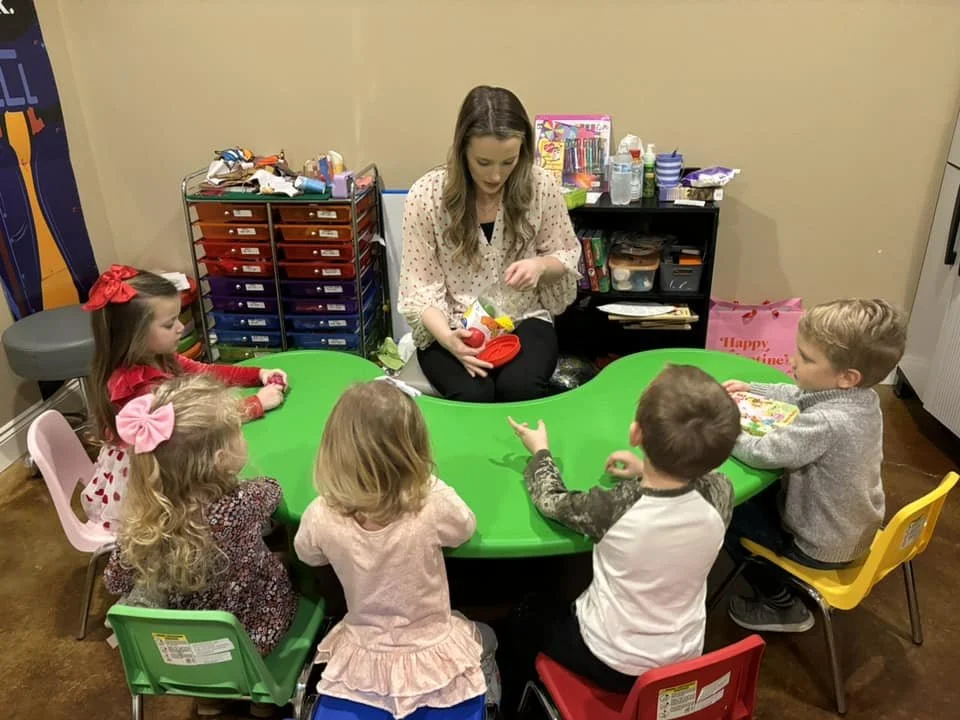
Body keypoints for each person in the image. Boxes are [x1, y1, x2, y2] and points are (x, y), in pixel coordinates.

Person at [504, 365, 740, 702]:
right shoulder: (721, 494)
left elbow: (550, 500)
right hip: (684, 658)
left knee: (525, 614)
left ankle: (514, 698)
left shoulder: (613, 508)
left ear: (635, 434)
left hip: (610, 661)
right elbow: (695, 479)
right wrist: (646, 469)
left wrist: (540, 451)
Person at [103, 375, 298, 717]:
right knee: (295, 569)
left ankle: (209, 699)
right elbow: (275, 490)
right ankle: (263, 701)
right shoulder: (243, 503)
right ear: (222, 459)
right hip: (253, 638)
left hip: (183, 655)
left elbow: (114, 582)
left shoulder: (141, 525)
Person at [294, 381, 490, 718]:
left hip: (364, 651)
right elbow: (464, 527)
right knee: (484, 636)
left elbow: (307, 554)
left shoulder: (321, 514)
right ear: (413, 451)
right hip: (432, 647)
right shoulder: (429, 502)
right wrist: (429, 482)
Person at [722, 298, 907, 633]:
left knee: (727, 512)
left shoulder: (826, 423)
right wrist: (753, 389)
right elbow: (801, 394)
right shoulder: (864, 399)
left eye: (806, 358)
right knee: (762, 495)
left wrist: (725, 433)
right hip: (853, 530)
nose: (793, 361)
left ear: (847, 377)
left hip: (818, 545)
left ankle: (783, 606)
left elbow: (764, 452)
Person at [398, 85, 581, 403]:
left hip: (524, 317)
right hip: (453, 322)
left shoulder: (541, 186)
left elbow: (564, 254)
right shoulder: (426, 196)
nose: (496, 176)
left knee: (519, 388)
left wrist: (540, 267)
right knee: (473, 392)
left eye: (508, 162)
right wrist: (450, 340)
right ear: (462, 150)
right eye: (483, 163)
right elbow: (420, 288)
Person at [80, 265, 288, 531]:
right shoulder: (137, 389)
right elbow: (194, 431)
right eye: (169, 324)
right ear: (134, 336)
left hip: (172, 460)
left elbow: (208, 372)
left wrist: (258, 373)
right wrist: (256, 403)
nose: (181, 327)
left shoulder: (159, 357)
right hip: (157, 485)